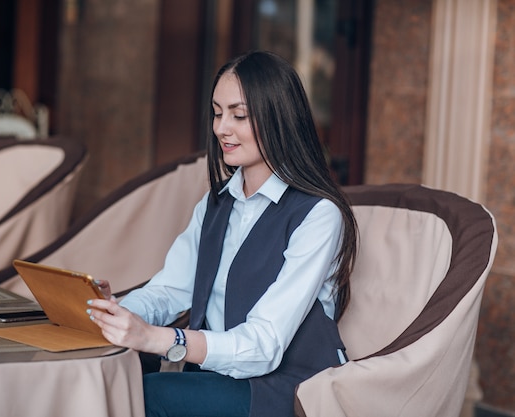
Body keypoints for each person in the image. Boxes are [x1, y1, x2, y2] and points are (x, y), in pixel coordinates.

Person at [86, 50, 358, 417]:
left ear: (279, 118)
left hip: (283, 388)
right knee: (122, 374)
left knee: (141, 395)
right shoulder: (216, 203)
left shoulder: (318, 215)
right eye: (217, 113)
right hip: (215, 376)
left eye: (238, 115)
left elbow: (264, 346)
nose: (221, 128)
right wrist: (115, 314)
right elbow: (170, 289)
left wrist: (158, 338)